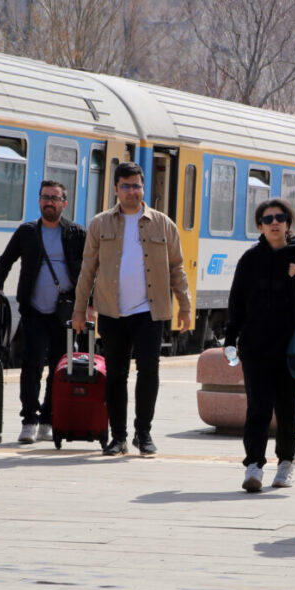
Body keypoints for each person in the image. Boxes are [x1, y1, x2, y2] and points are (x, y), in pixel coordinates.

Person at [72, 162, 191, 457]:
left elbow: (177, 267)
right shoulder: (100, 224)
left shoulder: (163, 224)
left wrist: (185, 306)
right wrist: (79, 310)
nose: (131, 191)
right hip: (112, 311)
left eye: (136, 185)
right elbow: (88, 269)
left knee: (149, 370)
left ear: (143, 188)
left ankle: (143, 433)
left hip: (150, 311)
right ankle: (118, 436)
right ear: (115, 189)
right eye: (125, 186)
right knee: (116, 374)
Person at [225, 199, 295, 492]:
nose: (274, 222)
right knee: (258, 408)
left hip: (292, 347)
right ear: (260, 226)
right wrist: (230, 339)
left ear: (288, 223)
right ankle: (254, 466)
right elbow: (236, 301)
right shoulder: (250, 259)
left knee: (287, 409)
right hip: (256, 346)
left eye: (280, 217)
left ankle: (285, 464)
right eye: (268, 218)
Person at [0, 180, 87, 444]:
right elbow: (5, 261)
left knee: (59, 367)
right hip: (34, 310)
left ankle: (48, 419)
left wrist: (89, 304)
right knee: (31, 365)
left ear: (64, 203)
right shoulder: (27, 232)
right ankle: (29, 421)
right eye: (45, 197)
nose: (49, 202)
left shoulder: (76, 233)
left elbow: (91, 269)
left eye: (55, 198)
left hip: (64, 313)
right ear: (39, 201)